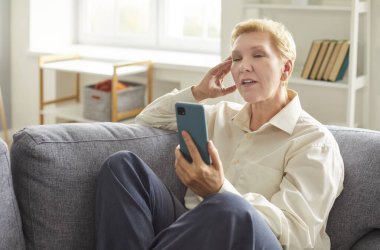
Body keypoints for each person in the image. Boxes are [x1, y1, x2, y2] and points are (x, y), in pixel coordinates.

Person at [95, 18, 344, 250]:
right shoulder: (220, 115)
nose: (244, 66)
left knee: (230, 206)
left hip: (257, 241)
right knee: (122, 165)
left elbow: (298, 236)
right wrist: (200, 92)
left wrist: (218, 190)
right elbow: (148, 119)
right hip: (194, 231)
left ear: (286, 69)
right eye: (236, 59)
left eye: (258, 55)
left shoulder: (313, 142)